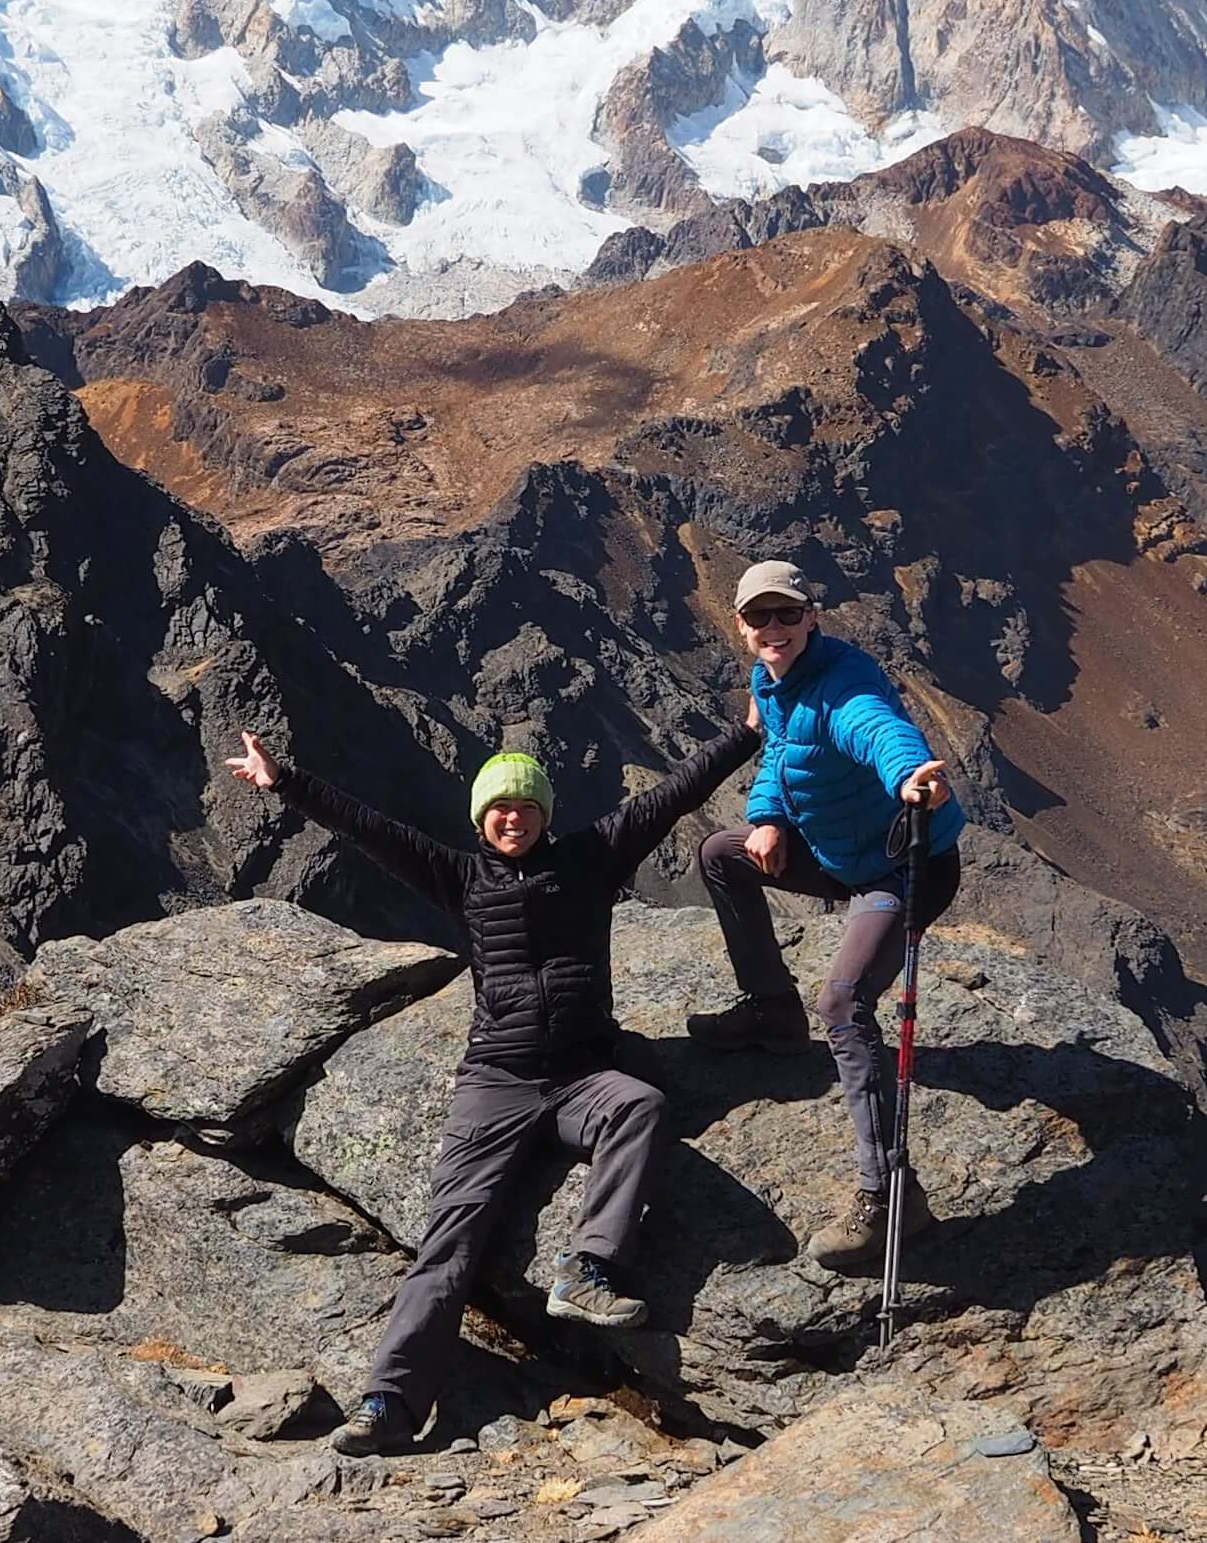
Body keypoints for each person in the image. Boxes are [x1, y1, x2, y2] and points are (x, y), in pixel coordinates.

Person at [222, 718, 757, 1457]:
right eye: (499, 808)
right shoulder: (460, 877)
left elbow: (673, 794)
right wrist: (284, 782)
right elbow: (369, 829)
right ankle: (387, 1402)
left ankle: (587, 1267)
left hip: (579, 1076)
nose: (513, 818)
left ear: (545, 814)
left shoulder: (591, 858)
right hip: (495, 1082)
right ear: (481, 817)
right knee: (450, 1243)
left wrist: (746, 732)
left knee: (638, 1104)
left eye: (526, 807)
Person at [682, 558, 959, 1271]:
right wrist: (767, 816)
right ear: (740, 626)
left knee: (843, 1003)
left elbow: (876, 728)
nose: (772, 628)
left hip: (904, 868)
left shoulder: (843, 683)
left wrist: (910, 777)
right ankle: (771, 1011)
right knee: (721, 852)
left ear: (812, 617)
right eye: (758, 617)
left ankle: (889, 1195)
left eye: (786, 614)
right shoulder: (770, 679)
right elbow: (778, 746)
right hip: (836, 854)